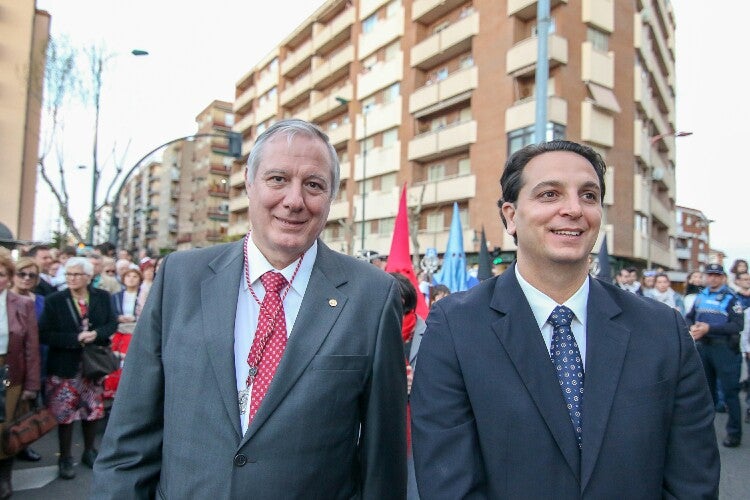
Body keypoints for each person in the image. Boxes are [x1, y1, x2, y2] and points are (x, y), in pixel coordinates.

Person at [92, 119, 407, 498]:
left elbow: (382, 464)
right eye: (277, 179)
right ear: (248, 182)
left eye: (313, 185)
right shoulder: (180, 278)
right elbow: (129, 444)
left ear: (330, 197)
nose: (294, 200)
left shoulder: (372, 296)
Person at [410, 140, 719, 498]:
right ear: (510, 216)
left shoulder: (662, 328)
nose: (573, 209)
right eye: (549, 195)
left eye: (589, 196)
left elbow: (692, 476)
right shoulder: (455, 326)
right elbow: (448, 480)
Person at [39, 257, 117, 480]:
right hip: (64, 365)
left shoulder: (102, 297)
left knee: (92, 410)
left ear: (88, 276)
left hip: (93, 366)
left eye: (76, 274)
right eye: (68, 274)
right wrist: (75, 338)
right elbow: (44, 333)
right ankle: (65, 457)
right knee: (64, 414)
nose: (72, 279)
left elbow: (111, 323)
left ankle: (89, 450)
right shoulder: (55, 300)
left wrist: (97, 334)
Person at [686, 263, 745, 447]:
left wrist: (709, 328)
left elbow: (737, 326)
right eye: (709, 274)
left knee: (730, 393)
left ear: (723, 277)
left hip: (724, 349)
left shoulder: (731, 298)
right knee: (705, 394)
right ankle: (705, 433)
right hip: (704, 348)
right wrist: (692, 326)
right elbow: (689, 316)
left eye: (716, 275)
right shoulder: (701, 297)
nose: (712, 278)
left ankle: (734, 433)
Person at [0, 256, 41, 499]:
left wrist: (32, 385)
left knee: (5, 427)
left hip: (7, 371)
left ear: (9, 277)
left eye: (3, 274)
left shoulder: (22, 304)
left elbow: (31, 347)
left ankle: (4, 477)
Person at [9, 257, 48, 462]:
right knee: (7, 410)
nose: (26, 278)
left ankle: (23, 444)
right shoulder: (5, 300)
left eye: (31, 275)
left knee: (27, 409)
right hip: (11, 364)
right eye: (21, 273)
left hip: (37, 358)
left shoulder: (40, 300)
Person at [103, 268, 142, 402]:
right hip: (119, 330)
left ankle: (126, 388)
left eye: (135, 276)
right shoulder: (116, 296)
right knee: (114, 358)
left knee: (127, 360)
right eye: (128, 276)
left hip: (134, 330)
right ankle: (112, 389)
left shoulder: (143, 296)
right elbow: (111, 313)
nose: (131, 279)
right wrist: (118, 317)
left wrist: (135, 318)